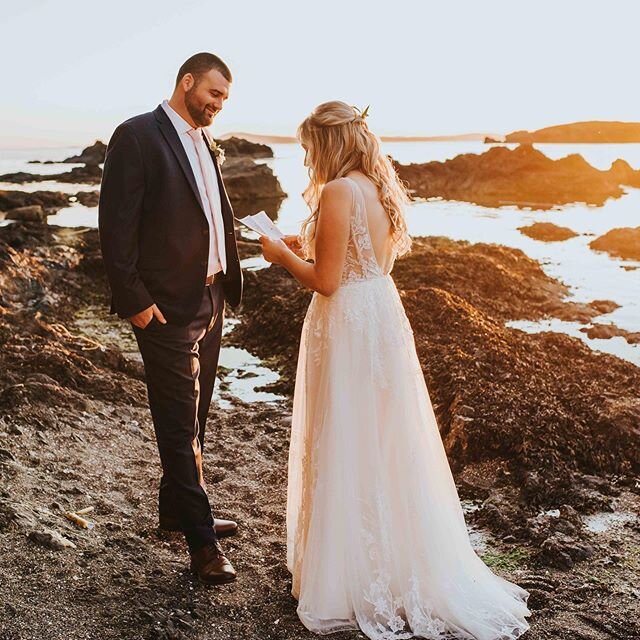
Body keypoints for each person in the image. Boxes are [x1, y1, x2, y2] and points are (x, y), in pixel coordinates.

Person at [260, 100, 531, 639]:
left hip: (348, 324)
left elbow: (327, 280)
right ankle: (391, 558)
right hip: (380, 315)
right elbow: (357, 260)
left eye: (311, 147)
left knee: (345, 436)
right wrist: (303, 245)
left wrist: (278, 254)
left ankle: (348, 578)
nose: (308, 159)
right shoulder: (377, 187)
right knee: (383, 439)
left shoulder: (338, 191)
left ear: (328, 144)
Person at [99, 52, 242, 585]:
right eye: (213, 94)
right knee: (179, 426)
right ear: (187, 82)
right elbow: (115, 225)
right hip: (163, 308)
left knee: (197, 415)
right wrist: (133, 299)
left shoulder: (205, 141)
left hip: (211, 298)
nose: (218, 105)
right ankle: (202, 545)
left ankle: (175, 512)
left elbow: (207, 215)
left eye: (224, 99)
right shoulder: (137, 135)